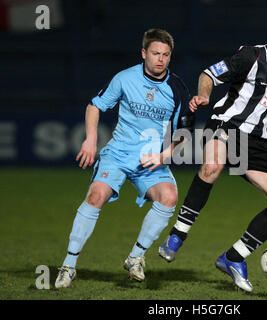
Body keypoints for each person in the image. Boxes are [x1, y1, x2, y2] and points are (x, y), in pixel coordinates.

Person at [159, 9, 267, 292]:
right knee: (212, 165)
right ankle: (177, 235)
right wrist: (204, 94)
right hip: (227, 125)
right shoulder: (249, 57)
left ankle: (234, 258)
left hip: (256, 142)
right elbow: (209, 74)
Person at [55, 29, 194, 288]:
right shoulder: (124, 78)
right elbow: (94, 106)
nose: (160, 59)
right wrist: (91, 139)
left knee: (169, 196)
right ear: (144, 53)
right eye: (155, 53)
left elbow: (184, 131)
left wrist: (166, 154)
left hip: (151, 159)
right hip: (118, 154)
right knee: (96, 195)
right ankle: (69, 265)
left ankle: (136, 257)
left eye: (165, 55)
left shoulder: (177, 87)